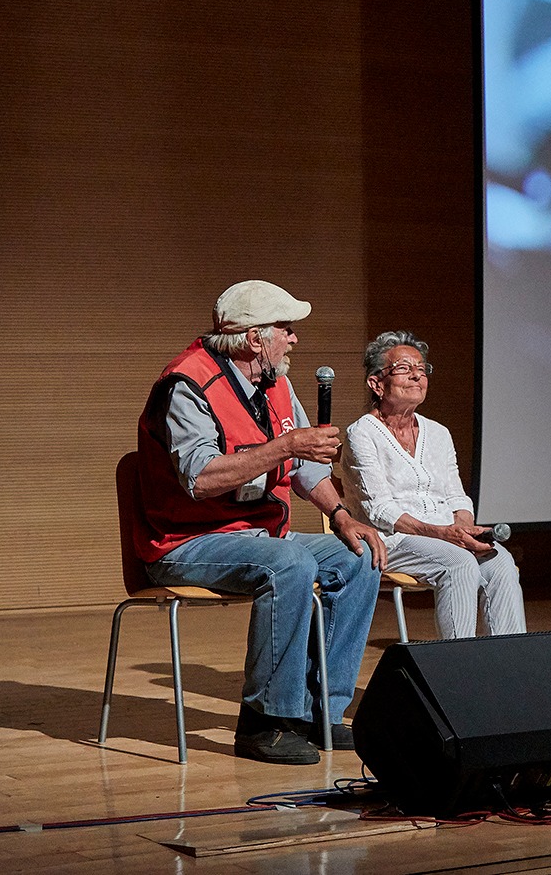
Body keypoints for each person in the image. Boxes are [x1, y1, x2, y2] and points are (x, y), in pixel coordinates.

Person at [133, 279, 385, 765]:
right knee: (288, 562)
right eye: (286, 330)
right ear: (255, 338)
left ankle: (320, 714)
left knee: (359, 557)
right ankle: (263, 722)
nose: (294, 339)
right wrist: (285, 447)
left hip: (260, 534)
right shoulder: (187, 385)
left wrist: (340, 515)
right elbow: (201, 477)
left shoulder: (278, 383)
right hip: (186, 541)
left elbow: (307, 465)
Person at [340, 331, 526, 638]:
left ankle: (511, 666)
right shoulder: (362, 433)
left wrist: (464, 528)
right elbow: (380, 511)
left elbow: (456, 496)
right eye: (403, 367)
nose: (416, 375)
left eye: (421, 368)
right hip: (391, 540)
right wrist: (444, 535)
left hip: (446, 536)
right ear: (376, 383)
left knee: (501, 561)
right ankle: (457, 670)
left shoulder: (438, 432)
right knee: (460, 563)